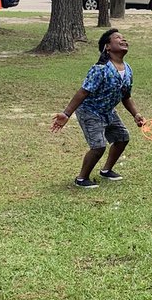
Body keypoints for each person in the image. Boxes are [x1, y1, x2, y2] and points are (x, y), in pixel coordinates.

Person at [51, 28, 144, 188]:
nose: (123, 40)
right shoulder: (100, 69)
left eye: (124, 38)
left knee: (122, 138)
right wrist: (66, 114)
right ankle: (82, 179)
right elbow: (83, 91)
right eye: (118, 38)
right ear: (107, 47)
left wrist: (136, 114)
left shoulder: (127, 70)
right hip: (90, 111)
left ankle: (106, 170)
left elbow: (126, 96)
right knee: (98, 146)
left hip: (108, 111)